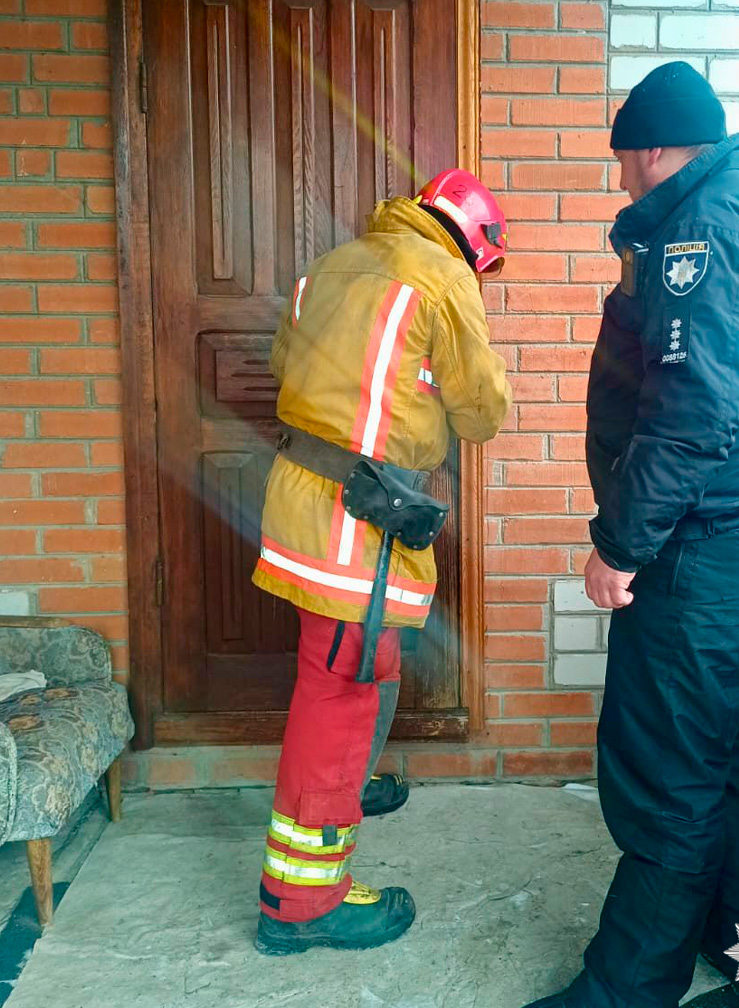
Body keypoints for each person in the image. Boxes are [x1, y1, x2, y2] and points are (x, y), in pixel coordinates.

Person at [525, 62, 739, 1008]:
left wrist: (621, 544)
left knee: (671, 786)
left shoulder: (705, 225)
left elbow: (696, 410)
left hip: (704, 556)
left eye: (621, 162)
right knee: (735, 767)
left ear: (649, 149)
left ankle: (625, 991)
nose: (620, 181)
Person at [252, 169, 511, 957]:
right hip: (355, 521)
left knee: (367, 664)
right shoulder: (442, 279)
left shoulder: (333, 263)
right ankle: (301, 905)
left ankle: (348, 785)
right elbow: (483, 411)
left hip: (303, 497)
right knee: (335, 698)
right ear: (473, 242)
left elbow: (280, 367)